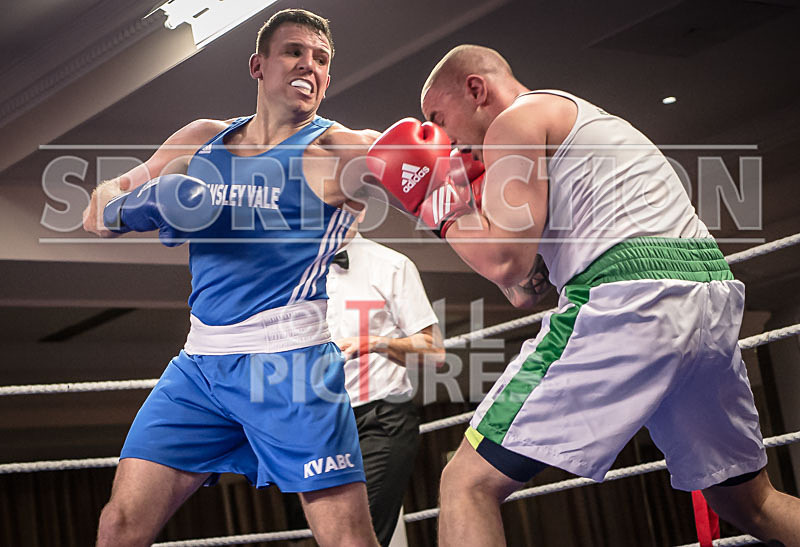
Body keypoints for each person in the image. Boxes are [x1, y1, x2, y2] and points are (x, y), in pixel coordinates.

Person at [366, 45, 800, 546]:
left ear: (476, 90)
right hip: (707, 293)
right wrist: (472, 200)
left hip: (630, 297)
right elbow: (525, 289)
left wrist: (438, 203)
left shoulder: (516, 120)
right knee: (751, 502)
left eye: (439, 119)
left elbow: (504, 260)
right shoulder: (578, 123)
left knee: (466, 483)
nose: (443, 139)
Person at [82, 9, 382, 547]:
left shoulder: (335, 148)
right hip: (199, 366)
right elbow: (94, 212)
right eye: (294, 52)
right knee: (120, 523)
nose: (308, 66)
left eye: (321, 59)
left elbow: (403, 161)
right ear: (258, 65)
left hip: (291, 365)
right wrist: (143, 204)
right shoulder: (202, 140)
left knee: (345, 537)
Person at [327, 220, 445, 545]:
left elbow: (434, 351)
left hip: (380, 421)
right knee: (334, 535)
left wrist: (375, 342)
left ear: (359, 211)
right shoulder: (295, 271)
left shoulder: (391, 265)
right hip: (321, 424)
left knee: (356, 534)